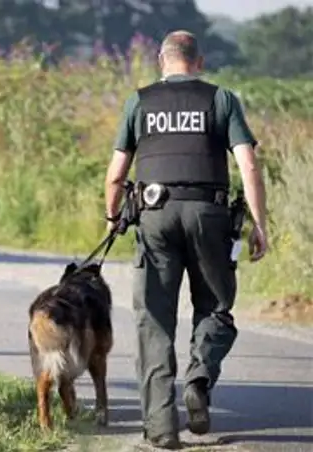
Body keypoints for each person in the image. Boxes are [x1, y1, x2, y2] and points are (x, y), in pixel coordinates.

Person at [104, 30, 269, 449]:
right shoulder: (221, 99)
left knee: (154, 320)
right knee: (215, 306)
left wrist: (112, 217)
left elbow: (116, 174)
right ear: (199, 62)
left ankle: (161, 428)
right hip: (209, 215)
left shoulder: (139, 101)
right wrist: (259, 223)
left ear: (162, 60)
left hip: (155, 216)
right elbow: (248, 165)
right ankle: (199, 375)